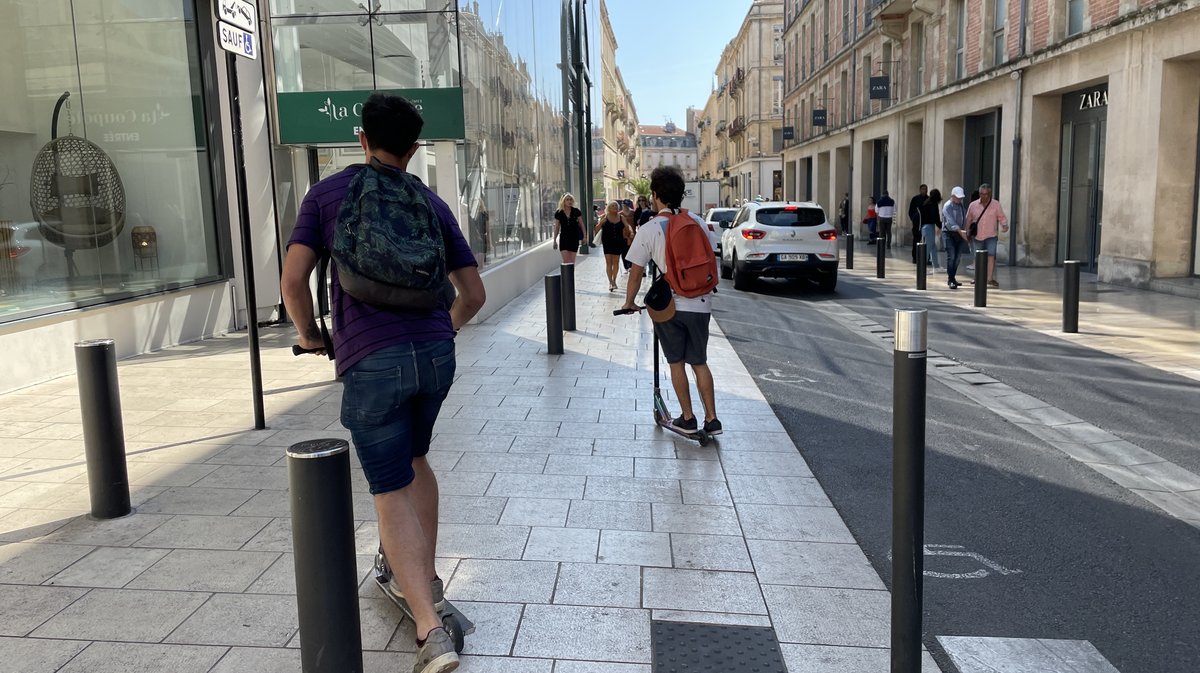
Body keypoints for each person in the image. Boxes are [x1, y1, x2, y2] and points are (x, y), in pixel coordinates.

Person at [280, 92, 486, 673]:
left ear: (362, 139)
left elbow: (292, 280)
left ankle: (429, 630)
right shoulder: (432, 203)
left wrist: (313, 334)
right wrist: (439, 333)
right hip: (435, 356)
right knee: (416, 458)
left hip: (371, 359)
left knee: (389, 484)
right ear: (415, 148)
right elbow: (474, 295)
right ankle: (424, 576)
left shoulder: (326, 195)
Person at [620, 166, 721, 436]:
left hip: (671, 306)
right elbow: (710, 256)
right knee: (699, 362)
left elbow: (636, 271)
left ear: (655, 195)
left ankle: (688, 417)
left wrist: (629, 302)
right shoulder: (697, 222)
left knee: (676, 362)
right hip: (702, 303)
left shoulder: (650, 228)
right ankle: (712, 419)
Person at [965, 183, 1008, 288]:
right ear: (979, 194)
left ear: (990, 194)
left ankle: (989, 278)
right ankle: (977, 277)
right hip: (978, 236)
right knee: (978, 257)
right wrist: (967, 232)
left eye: (986, 194)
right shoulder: (973, 205)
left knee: (991, 256)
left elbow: (1001, 216)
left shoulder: (996, 204)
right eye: (982, 194)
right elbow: (969, 219)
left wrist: (1005, 225)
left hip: (991, 235)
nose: (984, 196)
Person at [594, 201, 630, 291]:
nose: (615, 207)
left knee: (616, 262)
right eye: (612, 205)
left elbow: (627, 226)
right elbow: (596, 229)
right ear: (609, 208)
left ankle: (614, 280)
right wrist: (601, 222)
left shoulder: (621, 217)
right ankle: (611, 282)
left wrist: (630, 233)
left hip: (618, 241)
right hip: (607, 242)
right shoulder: (604, 217)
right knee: (608, 262)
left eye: (616, 206)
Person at [941, 186, 971, 288]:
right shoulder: (947, 206)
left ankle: (953, 277)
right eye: (958, 197)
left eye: (961, 198)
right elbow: (950, 221)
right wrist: (960, 232)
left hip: (960, 234)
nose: (960, 199)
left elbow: (964, 219)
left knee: (957, 258)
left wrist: (965, 232)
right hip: (949, 234)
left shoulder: (961, 207)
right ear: (953, 196)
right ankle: (951, 279)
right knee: (952, 256)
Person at [553, 193, 585, 263]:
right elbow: (556, 227)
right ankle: (566, 274)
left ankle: (571, 274)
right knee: (566, 261)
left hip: (574, 238)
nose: (569, 201)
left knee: (572, 261)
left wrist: (584, 237)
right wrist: (554, 240)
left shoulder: (576, 211)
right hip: (564, 238)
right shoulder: (559, 212)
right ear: (563, 201)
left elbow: (582, 224)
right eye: (567, 200)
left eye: (571, 199)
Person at [917, 188, 942, 272]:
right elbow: (935, 217)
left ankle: (936, 266)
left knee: (932, 247)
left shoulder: (926, 203)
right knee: (927, 248)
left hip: (925, 227)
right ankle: (922, 268)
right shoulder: (933, 204)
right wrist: (940, 226)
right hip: (929, 227)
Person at [907, 184, 928, 263]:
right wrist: (914, 219)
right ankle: (915, 257)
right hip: (917, 224)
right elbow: (911, 211)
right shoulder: (915, 199)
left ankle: (926, 257)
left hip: (926, 224)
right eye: (923, 189)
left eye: (925, 189)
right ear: (920, 190)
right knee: (916, 240)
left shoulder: (929, 199)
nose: (924, 190)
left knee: (926, 241)